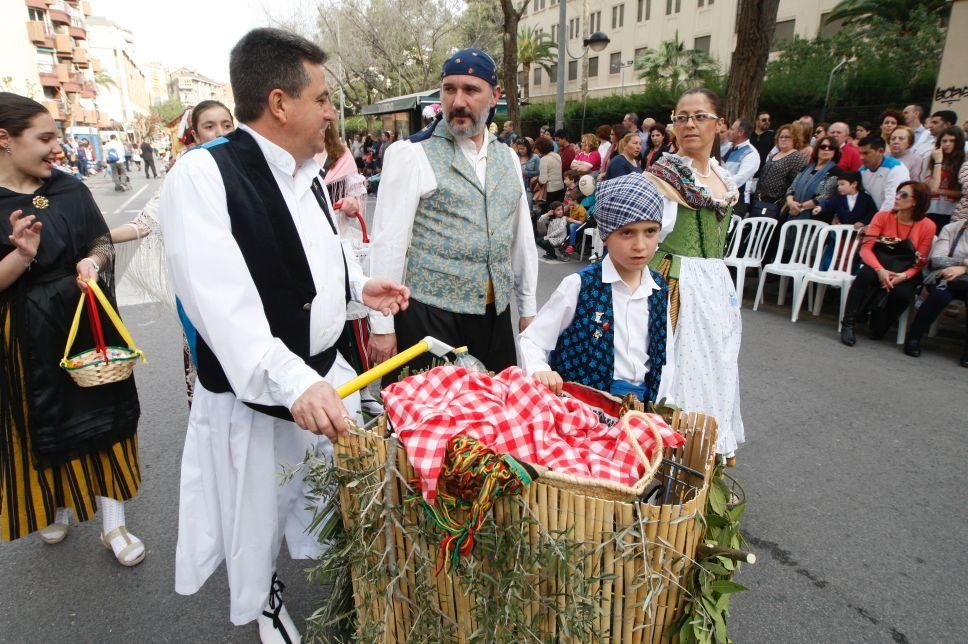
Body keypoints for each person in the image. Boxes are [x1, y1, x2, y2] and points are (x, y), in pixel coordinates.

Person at [159, 29, 409, 643]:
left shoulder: (309, 174)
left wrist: (359, 287)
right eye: (322, 98)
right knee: (259, 518)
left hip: (322, 378)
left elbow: (314, 258)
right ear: (279, 102)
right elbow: (224, 308)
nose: (331, 112)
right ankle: (267, 601)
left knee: (330, 503)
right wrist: (294, 381)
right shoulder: (202, 177)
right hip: (260, 396)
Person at [0, 93, 144, 565]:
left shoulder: (67, 188)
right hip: (23, 335)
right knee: (38, 422)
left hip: (83, 322)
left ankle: (114, 524)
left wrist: (94, 258)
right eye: (44, 138)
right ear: (5, 140)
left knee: (106, 416)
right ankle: (53, 505)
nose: (57, 147)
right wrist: (21, 256)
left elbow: (100, 239)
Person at [367, 47, 538, 375]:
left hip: (495, 318)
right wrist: (382, 326)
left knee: (495, 416)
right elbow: (388, 244)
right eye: (449, 90)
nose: (458, 101)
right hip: (430, 318)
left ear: (494, 96)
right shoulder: (412, 154)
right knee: (430, 420)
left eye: (471, 90)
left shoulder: (509, 160)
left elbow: (521, 243)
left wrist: (528, 309)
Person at [643, 87, 744, 462]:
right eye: (682, 117)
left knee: (717, 363)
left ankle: (707, 451)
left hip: (716, 284)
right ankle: (676, 459)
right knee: (680, 369)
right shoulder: (665, 177)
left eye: (699, 116)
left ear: (718, 124)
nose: (689, 124)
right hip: (676, 283)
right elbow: (646, 238)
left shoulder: (722, 176)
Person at [520, 172, 673, 403]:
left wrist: (664, 400)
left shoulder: (658, 289)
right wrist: (539, 369)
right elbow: (532, 339)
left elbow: (665, 355)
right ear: (605, 235)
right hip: (584, 411)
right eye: (627, 233)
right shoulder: (580, 286)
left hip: (639, 411)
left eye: (650, 231)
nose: (640, 245)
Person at [840, 181, 935, 347]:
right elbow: (866, 249)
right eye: (898, 193)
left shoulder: (928, 226)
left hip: (905, 270)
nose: (897, 197)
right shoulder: (882, 216)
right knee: (864, 275)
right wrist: (880, 270)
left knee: (902, 294)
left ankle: (880, 324)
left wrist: (903, 276)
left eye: (903, 195)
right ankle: (848, 323)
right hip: (879, 263)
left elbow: (921, 261)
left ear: (916, 201)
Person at [903, 218, 968, 366]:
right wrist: (963, 262)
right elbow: (938, 260)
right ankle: (914, 337)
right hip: (945, 278)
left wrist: (963, 269)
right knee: (939, 296)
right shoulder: (951, 229)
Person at [752, 123, 807, 219]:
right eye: (781, 137)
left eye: (787, 137)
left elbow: (796, 185)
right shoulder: (774, 155)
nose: (783, 139)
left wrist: (785, 206)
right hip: (760, 201)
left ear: (795, 139)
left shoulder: (797, 157)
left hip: (777, 204)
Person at [786, 136, 841, 220]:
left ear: (835, 151)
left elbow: (824, 196)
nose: (826, 149)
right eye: (823, 147)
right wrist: (791, 203)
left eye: (831, 148)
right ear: (817, 149)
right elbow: (791, 189)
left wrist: (799, 207)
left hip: (815, 217)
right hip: (793, 212)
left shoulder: (835, 171)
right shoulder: (806, 168)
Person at [926, 126, 966, 230]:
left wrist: (940, 191)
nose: (947, 144)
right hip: (931, 209)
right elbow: (931, 189)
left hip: (952, 212)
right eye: (944, 141)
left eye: (952, 141)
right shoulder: (933, 158)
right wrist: (938, 162)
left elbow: (963, 193)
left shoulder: (964, 162)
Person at [721, 119, 760, 216]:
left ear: (740, 133)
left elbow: (739, 179)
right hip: (722, 197)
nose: (729, 132)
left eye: (732, 129)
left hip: (737, 202)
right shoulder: (728, 147)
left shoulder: (751, 154)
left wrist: (718, 184)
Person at [812, 170, 878, 227]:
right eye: (838, 185)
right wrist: (819, 208)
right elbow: (828, 204)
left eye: (842, 184)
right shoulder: (838, 198)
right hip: (841, 233)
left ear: (854, 184)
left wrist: (863, 222)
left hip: (858, 234)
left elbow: (872, 212)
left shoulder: (866, 198)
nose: (839, 187)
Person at [535, 136, 564, 208]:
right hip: (560, 187)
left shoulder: (544, 159)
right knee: (558, 210)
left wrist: (536, 180)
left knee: (548, 212)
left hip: (550, 190)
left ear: (540, 148)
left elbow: (543, 180)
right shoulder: (557, 155)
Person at [517, 137, 540, 214]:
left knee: (529, 209)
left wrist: (524, 172)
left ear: (527, 147)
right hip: (518, 186)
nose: (521, 151)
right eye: (519, 149)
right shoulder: (516, 157)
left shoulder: (535, 157)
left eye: (522, 148)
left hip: (529, 187)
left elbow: (538, 172)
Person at [749, 111, 774, 179]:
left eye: (769, 120)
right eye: (764, 120)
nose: (767, 121)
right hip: (749, 172)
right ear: (757, 121)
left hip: (765, 174)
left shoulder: (773, 136)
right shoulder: (749, 135)